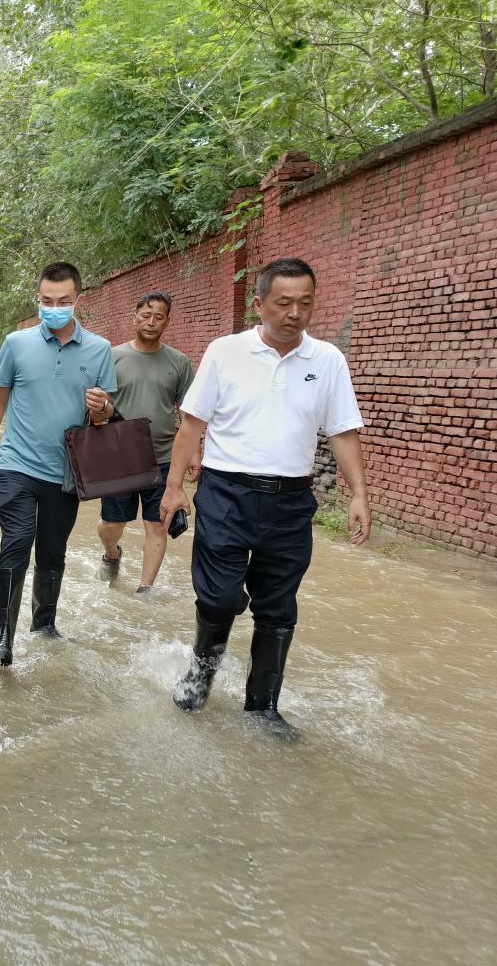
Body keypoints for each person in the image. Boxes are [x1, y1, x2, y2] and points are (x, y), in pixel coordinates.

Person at [160, 257, 370, 740]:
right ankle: (200, 676)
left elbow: (342, 430)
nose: (294, 313)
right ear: (259, 304)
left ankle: (263, 707)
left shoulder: (327, 361)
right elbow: (192, 423)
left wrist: (359, 493)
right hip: (226, 492)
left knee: (278, 605)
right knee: (219, 597)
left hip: (290, 501)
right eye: (283, 303)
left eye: (305, 303)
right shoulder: (225, 352)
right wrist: (174, 488)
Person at [0, 263, 116, 666]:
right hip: (17, 464)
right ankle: (3, 637)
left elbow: (103, 418)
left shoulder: (100, 349)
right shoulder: (17, 344)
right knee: (16, 544)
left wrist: (102, 408)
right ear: (39, 299)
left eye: (63, 301)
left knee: (52, 551)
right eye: (47, 301)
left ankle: (44, 624)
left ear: (78, 300)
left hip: (66, 471)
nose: (55, 308)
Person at [96, 292, 197, 593]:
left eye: (159, 317)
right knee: (112, 525)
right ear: (135, 317)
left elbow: (191, 414)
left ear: (168, 320)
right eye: (146, 315)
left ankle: (145, 590)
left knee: (158, 524)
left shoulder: (179, 362)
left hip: (164, 457)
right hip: (120, 456)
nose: (151, 322)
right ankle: (111, 553)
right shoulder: (111, 357)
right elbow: (97, 407)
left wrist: (195, 453)